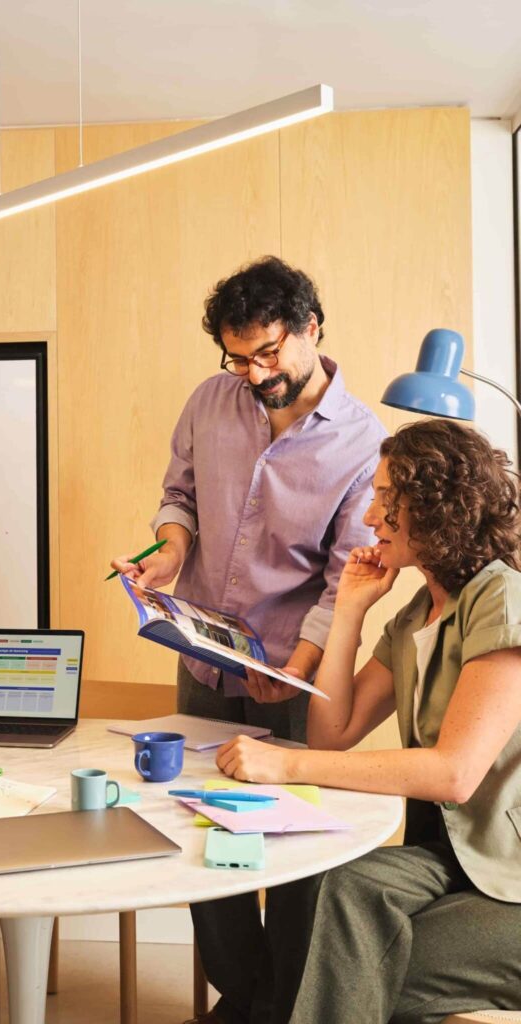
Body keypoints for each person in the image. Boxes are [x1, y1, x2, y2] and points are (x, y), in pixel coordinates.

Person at [109, 256, 386, 1022]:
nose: (255, 373)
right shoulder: (210, 401)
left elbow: (346, 577)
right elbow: (180, 496)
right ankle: (243, 995)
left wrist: (296, 665)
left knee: (295, 846)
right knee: (197, 826)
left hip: (295, 678)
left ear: (311, 329)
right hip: (206, 665)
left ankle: (288, 1001)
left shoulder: (365, 443)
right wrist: (168, 550)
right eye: (238, 357)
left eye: (268, 353)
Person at [212, 419, 521, 1023]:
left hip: (509, 881)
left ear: (433, 508)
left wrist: (285, 763)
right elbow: (335, 731)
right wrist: (349, 609)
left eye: (387, 500)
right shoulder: (417, 613)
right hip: (448, 864)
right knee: (334, 888)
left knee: (338, 967)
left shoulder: (501, 597)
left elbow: (454, 774)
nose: (373, 518)